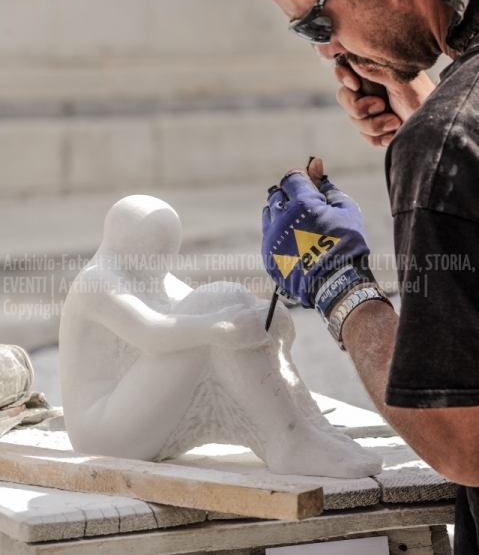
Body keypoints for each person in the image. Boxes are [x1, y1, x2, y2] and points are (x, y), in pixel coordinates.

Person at [215, 0, 479, 555]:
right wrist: (427, 108)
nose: (327, 52)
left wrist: (339, 288)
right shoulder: (450, 132)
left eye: (315, 22)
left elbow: (463, 439)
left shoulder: (449, 143)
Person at [59, 194, 381, 479]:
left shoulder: (149, 273)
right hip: (104, 432)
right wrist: (218, 328)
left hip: (137, 415)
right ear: (126, 243)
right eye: (155, 253)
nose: (162, 265)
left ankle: (304, 430)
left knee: (226, 298)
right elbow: (153, 334)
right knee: (216, 309)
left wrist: (268, 318)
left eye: (166, 254)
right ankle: (289, 440)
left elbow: (217, 305)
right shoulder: (98, 283)